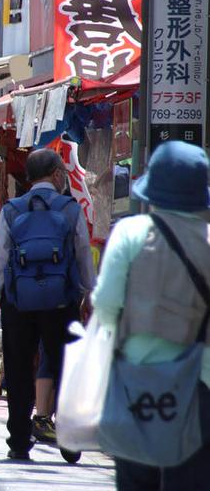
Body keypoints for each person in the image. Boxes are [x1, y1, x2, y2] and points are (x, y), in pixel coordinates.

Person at [91, 141, 210, 488]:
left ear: (152, 192)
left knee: (135, 479)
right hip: (200, 386)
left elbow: (106, 303)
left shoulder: (130, 234)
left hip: (137, 381)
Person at [0, 149, 96, 460]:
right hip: (60, 301)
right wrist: (89, 292)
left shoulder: (11, 209)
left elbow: (0, 255)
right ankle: (68, 436)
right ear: (55, 174)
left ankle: (19, 441)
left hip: (18, 302)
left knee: (19, 367)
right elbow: (80, 252)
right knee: (65, 365)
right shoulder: (68, 208)